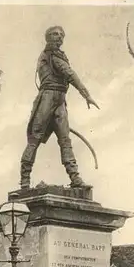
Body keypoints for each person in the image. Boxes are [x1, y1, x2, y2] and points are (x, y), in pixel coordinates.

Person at [19, 26, 99, 189]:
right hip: (47, 98)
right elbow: (69, 73)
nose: (60, 37)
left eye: (62, 35)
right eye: (55, 34)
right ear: (48, 37)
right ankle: (25, 181)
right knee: (34, 139)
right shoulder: (51, 55)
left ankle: (75, 178)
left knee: (65, 140)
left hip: (60, 101)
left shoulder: (58, 55)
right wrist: (86, 95)